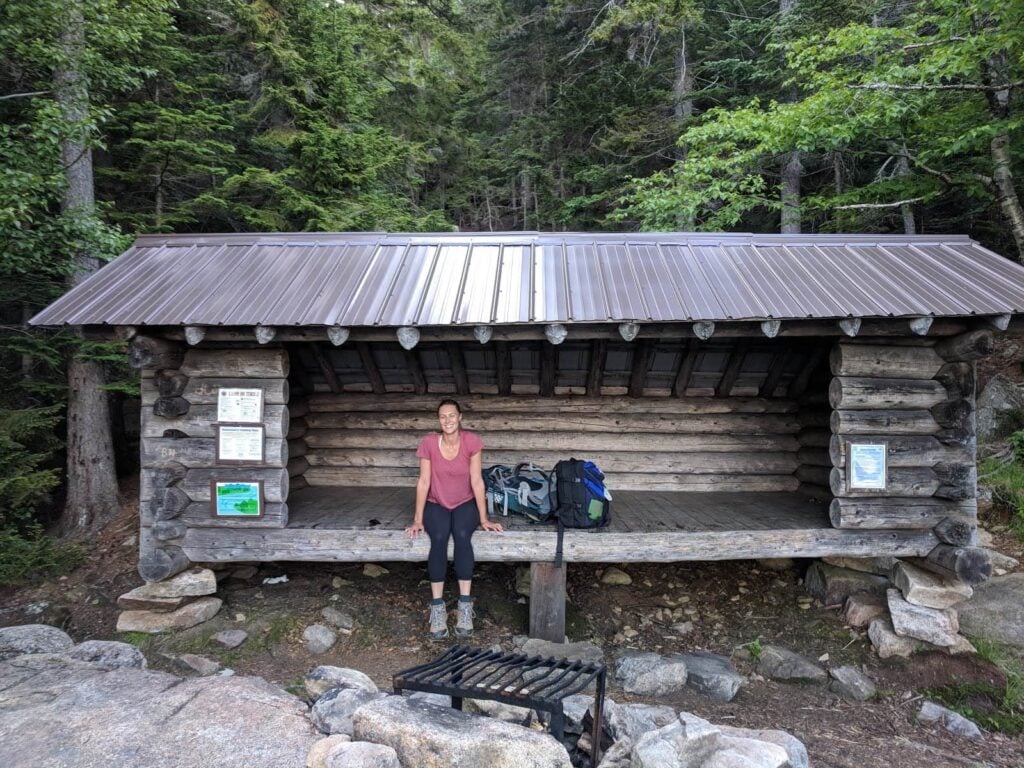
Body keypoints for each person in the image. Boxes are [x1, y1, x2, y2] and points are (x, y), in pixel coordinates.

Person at [405, 398, 503, 639]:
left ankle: (465, 607)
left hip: (464, 503)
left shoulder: (471, 441)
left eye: (451, 415)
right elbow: (424, 482)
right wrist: (417, 519)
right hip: (436, 503)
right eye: (443, 416)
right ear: (439, 420)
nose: (447, 420)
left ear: (460, 417)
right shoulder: (428, 443)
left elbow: (477, 481)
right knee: (438, 537)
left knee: (461, 535)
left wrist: (484, 518)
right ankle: (437, 609)